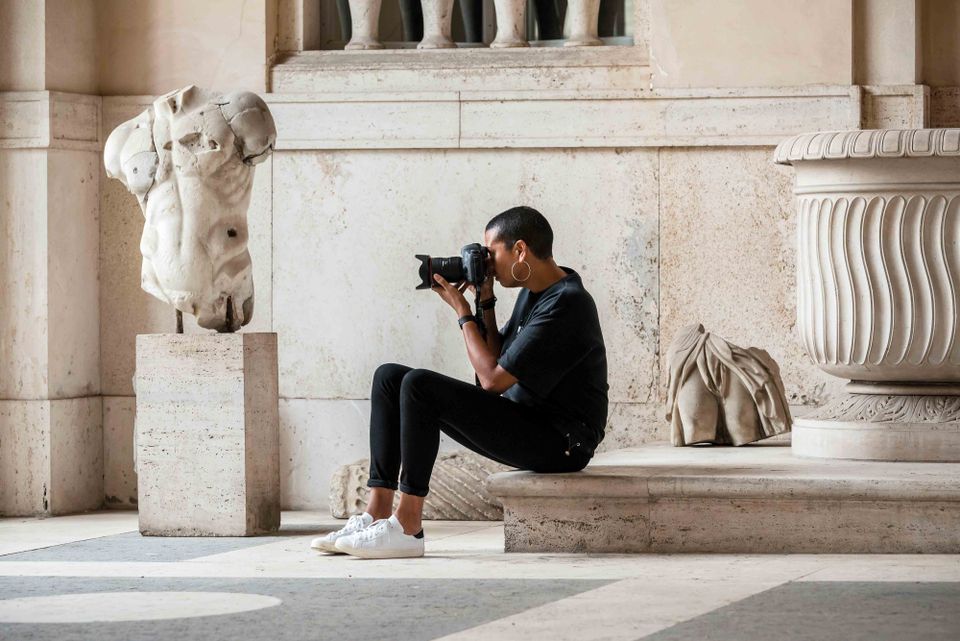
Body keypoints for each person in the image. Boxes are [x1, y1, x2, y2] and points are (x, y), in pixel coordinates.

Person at [311, 206, 608, 558]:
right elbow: (499, 362)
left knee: (419, 386)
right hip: (526, 418)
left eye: (492, 252)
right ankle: (375, 514)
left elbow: (491, 379)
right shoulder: (535, 291)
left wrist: (461, 311)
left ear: (520, 251)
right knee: (389, 377)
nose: (488, 263)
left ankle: (408, 527)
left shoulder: (568, 302)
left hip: (563, 443)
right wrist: (485, 299)